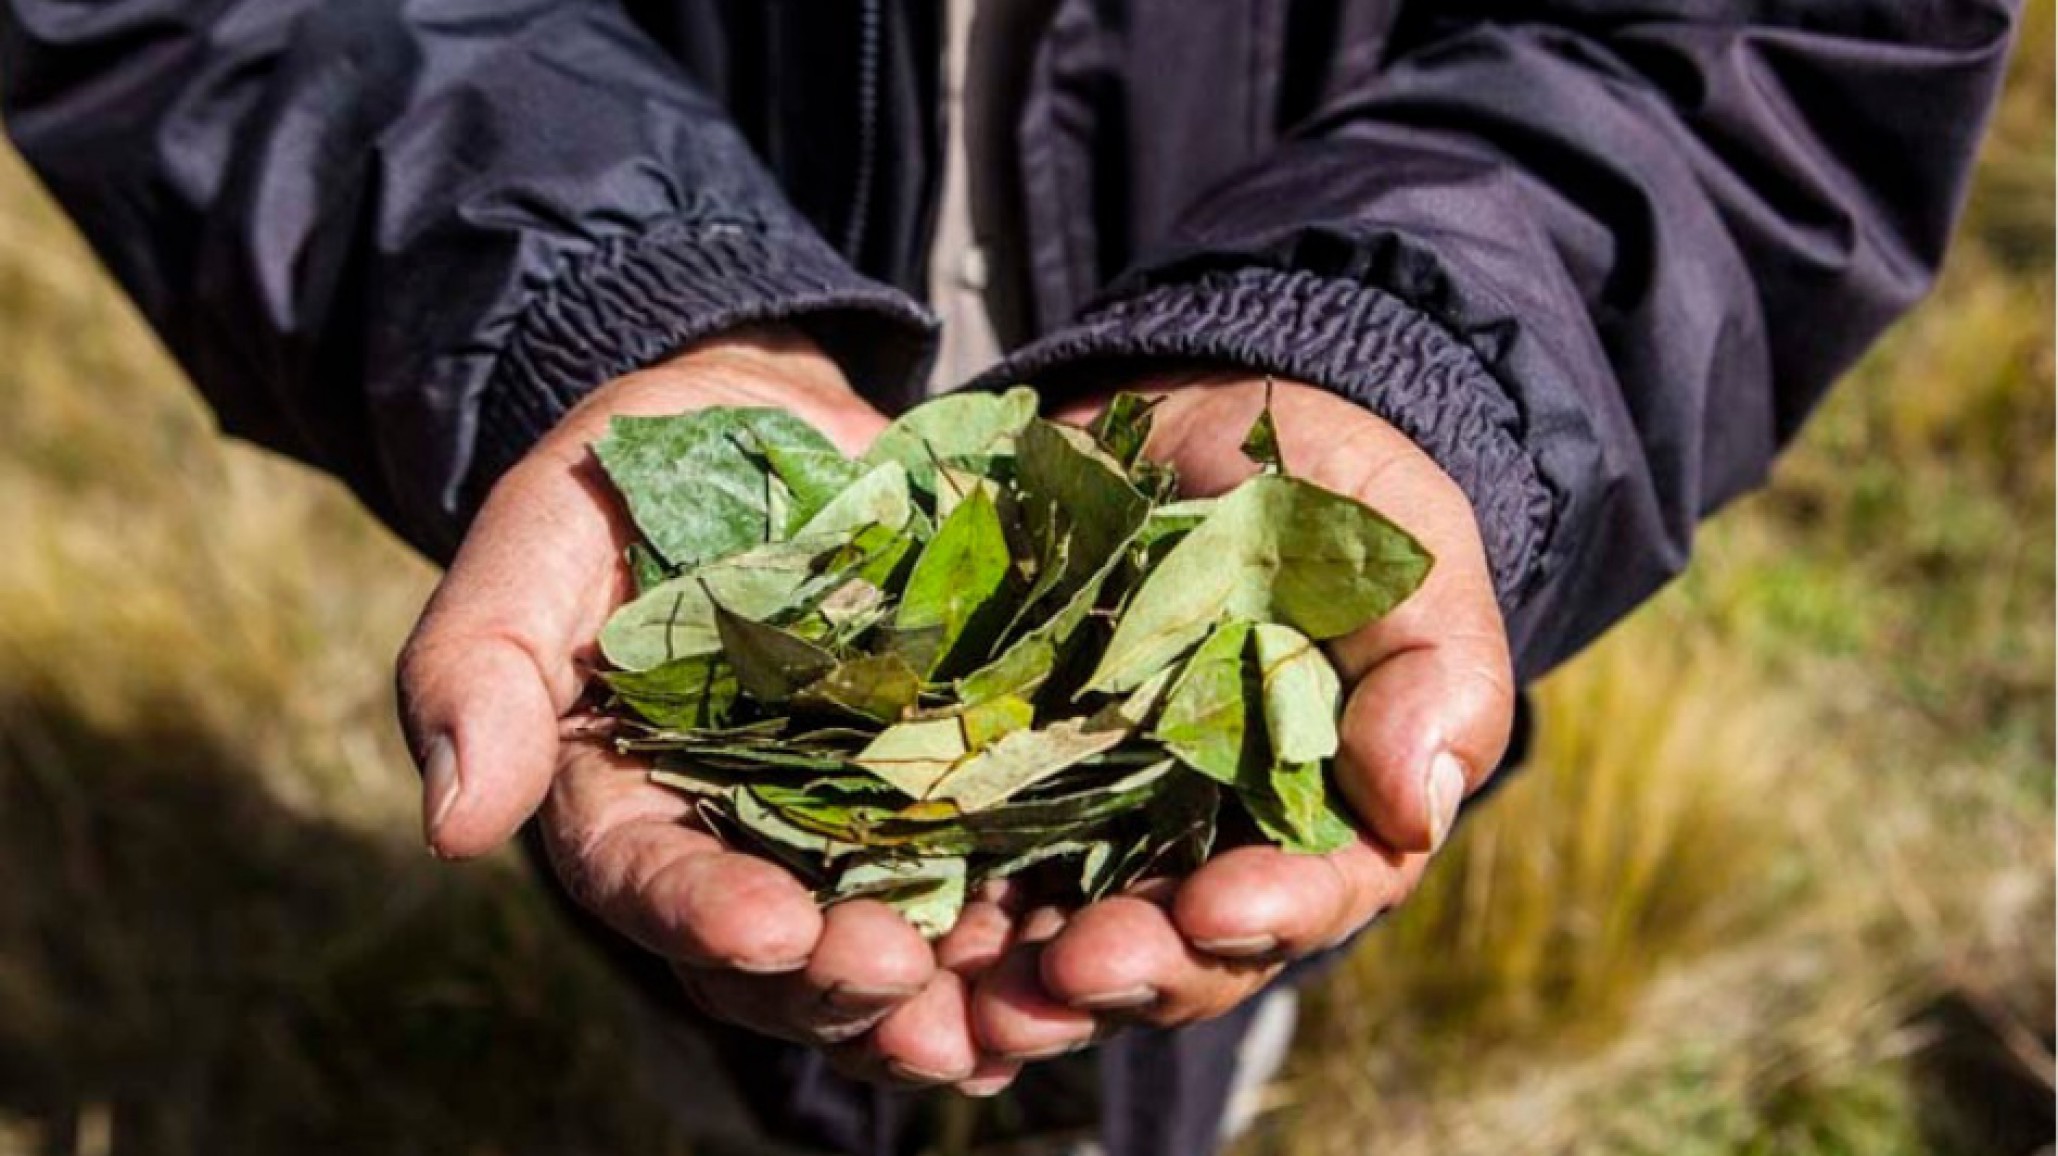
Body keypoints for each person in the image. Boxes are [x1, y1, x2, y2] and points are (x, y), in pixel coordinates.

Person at [0, 2, 2017, 1152]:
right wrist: (596, 289)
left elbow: (1773, 46)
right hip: (747, 777)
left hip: (1225, 536)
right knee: (769, 1025)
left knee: (1156, 1023)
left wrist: (1405, 339)